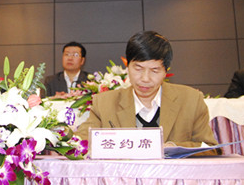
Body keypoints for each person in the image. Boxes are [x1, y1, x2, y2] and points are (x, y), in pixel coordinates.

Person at [76, 31, 218, 150]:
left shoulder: (191, 100)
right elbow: (80, 143)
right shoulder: (104, 103)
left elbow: (210, 148)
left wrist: (174, 147)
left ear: (166, 71)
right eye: (138, 69)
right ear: (127, 66)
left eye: (154, 70)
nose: (145, 78)